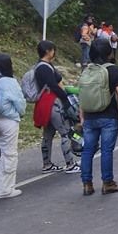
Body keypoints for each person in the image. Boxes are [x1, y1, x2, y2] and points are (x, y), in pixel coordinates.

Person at [79, 38, 118, 195]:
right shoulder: (114, 70)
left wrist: (82, 116)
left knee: (87, 150)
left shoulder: (87, 71)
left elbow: (82, 95)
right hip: (108, 117)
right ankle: (107, 183)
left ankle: (87, 184)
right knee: (107, 150)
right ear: (109, 53)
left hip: (89, 116)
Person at [33, 40, 78, 173]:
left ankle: (47, 164)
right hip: (52, 103)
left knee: (48, 134)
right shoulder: (44, 67)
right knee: (65, 132)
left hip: (45, 104)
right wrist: (65, 98)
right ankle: (70, 163)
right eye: (53, 50)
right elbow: (53, 85)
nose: (54, 52)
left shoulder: (42, 66)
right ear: (48, 51)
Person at [0, 54, 25, 199]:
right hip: (8, 120)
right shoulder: (10, 82)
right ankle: (4, 189)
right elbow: (20, 103)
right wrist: (20, 114)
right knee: (8, 154)